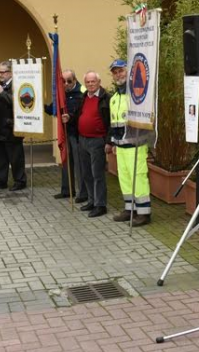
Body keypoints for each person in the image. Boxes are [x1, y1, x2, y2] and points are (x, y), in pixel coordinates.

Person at [107, 59, 152, 227]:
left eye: (121, 71)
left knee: (138, 178)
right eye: (115, 72)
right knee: (124, 178)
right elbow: (113, 124)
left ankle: (144, 213)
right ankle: (130, 209)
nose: (118, 74)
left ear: (128, 72)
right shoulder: (114, 98)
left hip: (136, 145)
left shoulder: (136, 94)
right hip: (120, 145)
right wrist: (113, 143)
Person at [45, 69, 87, 201]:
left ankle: (83, 193)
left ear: (74, 80)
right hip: (65, 132)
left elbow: (83, 113)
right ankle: (66, 190)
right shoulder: (61, 93)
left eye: (69, 81)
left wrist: (71, 117)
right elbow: (54, 109)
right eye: (63, 81)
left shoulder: (82, 92)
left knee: (79, 165)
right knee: (65, 161)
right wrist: (40, 106)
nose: (66, 84)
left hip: (77, 133)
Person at [0, 61, 26, 192]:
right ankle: (0, 181)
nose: (0, 74)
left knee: (15, 157)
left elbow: (17, 103)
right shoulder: (1, 85)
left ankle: (20, 181)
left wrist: (2, 92)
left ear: (10, 73)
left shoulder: (18, 84)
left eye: (2, 72)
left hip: (11, 128)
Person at [75, 71, 110, 218]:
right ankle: (91, 200)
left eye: (93, 81)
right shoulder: (83, 97)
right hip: (83, 140)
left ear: (99, 82)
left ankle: (100, 205)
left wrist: (109, 141)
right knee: (86, 173)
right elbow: (78, 115)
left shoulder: (105, 98)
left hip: (97, 141)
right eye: (88, 82)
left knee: (97, 174)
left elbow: (110, 121)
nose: (90, 84)